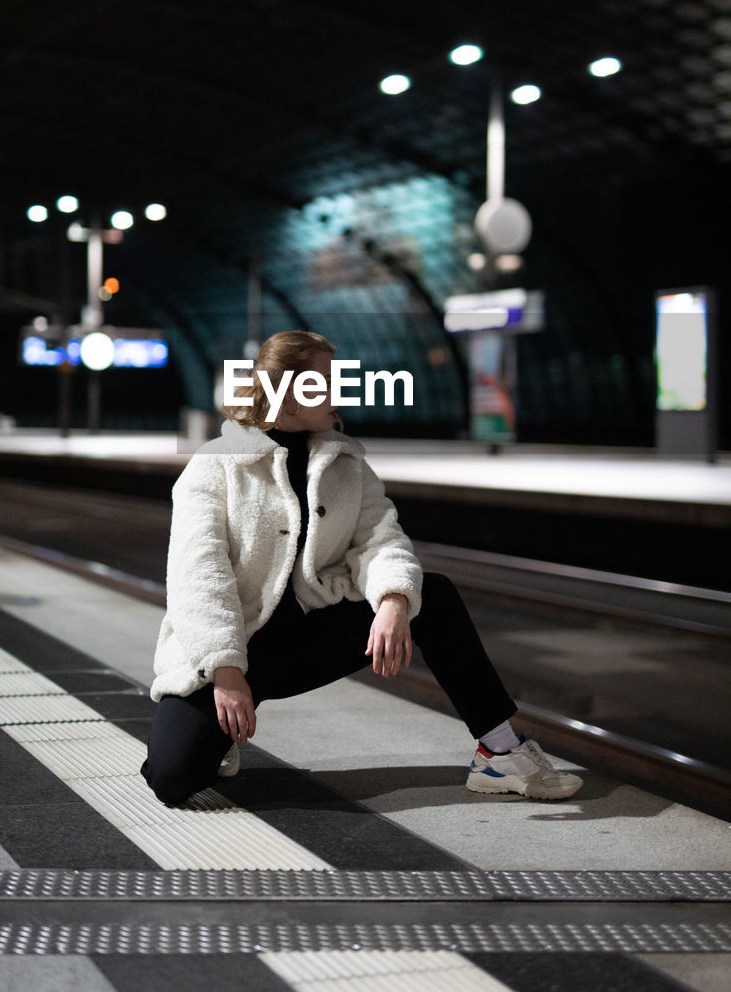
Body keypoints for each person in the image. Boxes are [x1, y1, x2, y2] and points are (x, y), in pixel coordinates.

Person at [141, 331, 582, 805]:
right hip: (229, 650)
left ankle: (500, 752)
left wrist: (394, 602)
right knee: (172, 778)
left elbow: (382, 539)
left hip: (304, 639)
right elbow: (198, 579)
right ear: (287, 392)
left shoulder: (345, 464)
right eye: (325, 381)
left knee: (431, 594)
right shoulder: (215, 466)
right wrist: (226, 674)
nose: (339, 393)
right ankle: (221, 737)